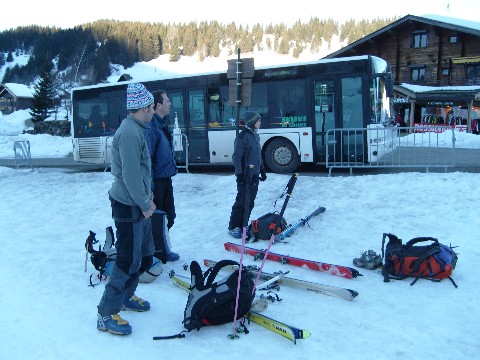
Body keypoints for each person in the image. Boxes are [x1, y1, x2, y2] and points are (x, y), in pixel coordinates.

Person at [96, 83, 156, 336]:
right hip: (129, 204)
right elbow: (131, 175)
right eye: (152, 107)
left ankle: (126, 297)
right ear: (143, 108)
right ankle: (106, 313)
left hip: (139, 202)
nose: (154, 111)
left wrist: (148, 198)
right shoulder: (130, 133)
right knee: (127, 259)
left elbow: (140, 172)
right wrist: (144, 203)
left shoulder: (136, 129)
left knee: (142, 255)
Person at [144, 90, 179, 262]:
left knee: (168, 216)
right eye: (167, 101)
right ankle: (158, 252)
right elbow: (147, 160)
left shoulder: (162, 124)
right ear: (158, 105)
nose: (169, 103)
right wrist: (149, 190)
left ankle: (161, 249)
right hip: (156, 182)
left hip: (165, 178)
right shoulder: (151, 127)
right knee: (158, 218)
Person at [228, 111, 267, 238]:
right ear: (252, 122)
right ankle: (234, 227)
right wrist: (240, 175)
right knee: (241, 201)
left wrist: (262, 169)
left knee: (250, 202)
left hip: (254, 174)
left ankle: (244, 224)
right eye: (258, 121)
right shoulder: (242, 137)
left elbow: (257, 154)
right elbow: (236, 157)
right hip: (245, 175)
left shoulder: (255, 135)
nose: (260, 122)